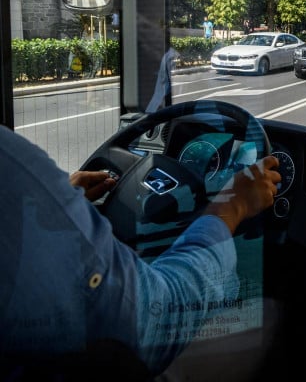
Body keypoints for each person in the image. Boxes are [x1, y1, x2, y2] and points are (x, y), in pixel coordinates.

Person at [0, 125, 281, 376]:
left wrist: (54, 210)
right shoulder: (12, 163)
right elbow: (154, 318)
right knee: (269, 314)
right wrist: (231, 207)